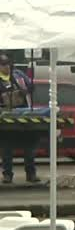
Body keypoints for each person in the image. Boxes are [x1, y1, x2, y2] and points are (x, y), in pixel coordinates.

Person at [0, 53, 39, 184]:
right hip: (6, 117)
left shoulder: (18, 74)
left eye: (8, 64)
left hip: (24, 114)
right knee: (6, 149)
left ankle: (31, 174)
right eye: (3, 64)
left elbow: (32, 86)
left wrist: (25, 90)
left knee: (29, 148)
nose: (6, 67)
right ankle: (7, 174)